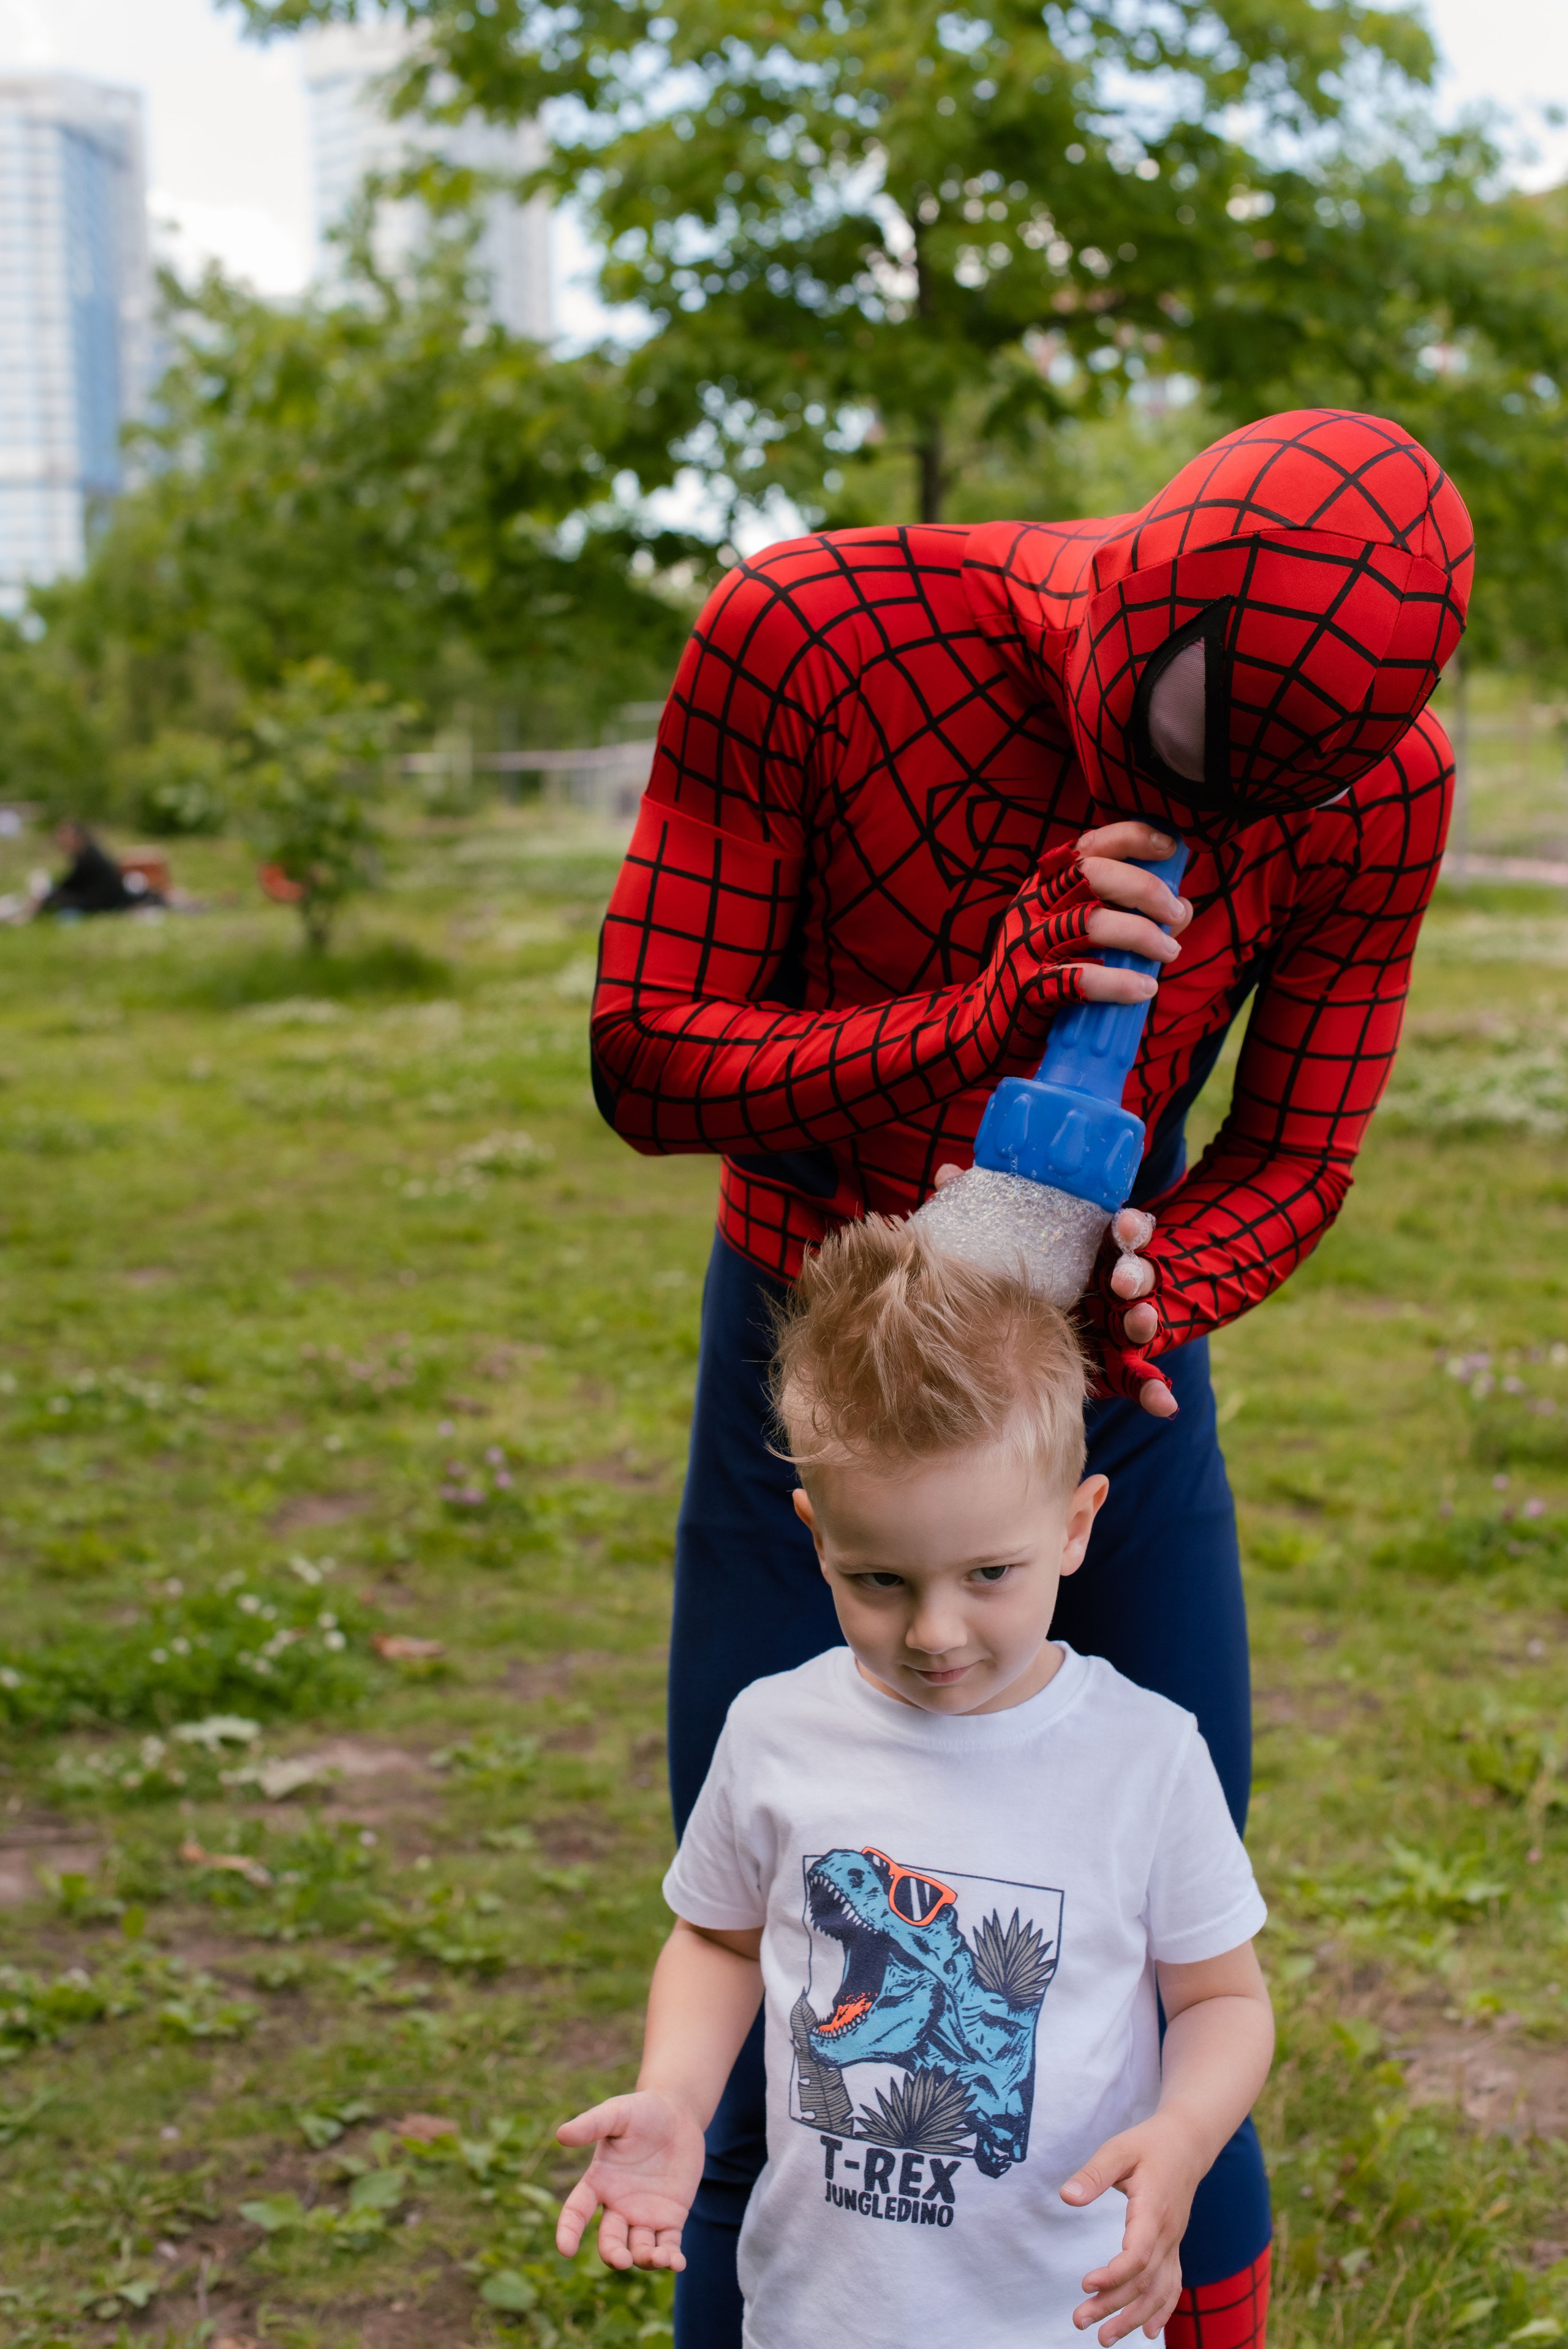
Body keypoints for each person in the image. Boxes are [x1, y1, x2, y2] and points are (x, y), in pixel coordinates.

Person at [590, 406, 1472, 2347]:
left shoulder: (1384, 792)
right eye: (1196, 759)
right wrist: (969, 1015)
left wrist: (1173, 1284)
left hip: (1096, 1361)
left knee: (1163, 1958)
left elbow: (1295, 1155)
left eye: (1284, 799)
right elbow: (644, 1060)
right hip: (806, 1338)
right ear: (1145, 605)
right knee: (787, 1931)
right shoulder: (813, 630)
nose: (1229, 825)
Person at [555, 1220, 1275, 2348]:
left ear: (1077, 1524)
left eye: (990, 1573)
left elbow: (1222, 2000)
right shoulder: (776, 1730)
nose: (935, 1632)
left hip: (1059, 2320)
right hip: (816, 2316)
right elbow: (719, 1942)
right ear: (816, 1533)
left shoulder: (1148, 1758)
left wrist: (1184, 2134)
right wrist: (676, 2095)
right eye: (878, 1578)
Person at [37, 822, 159, 916]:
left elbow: (71, 884)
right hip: (105, 899)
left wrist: (47, 895)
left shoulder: (88, 858)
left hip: (103, 902)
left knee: (54, 898)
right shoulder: (88, 853)